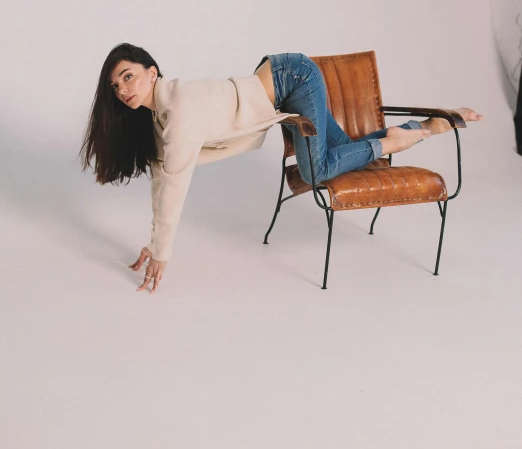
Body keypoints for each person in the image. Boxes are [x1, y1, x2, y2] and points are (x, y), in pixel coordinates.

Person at [80, 45, 483, 295]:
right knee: (342, 151)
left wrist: (163, 253)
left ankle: (391, 141)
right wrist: (155, 241)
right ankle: (420, 129)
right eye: (116, 87)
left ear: (152, 72)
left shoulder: (179, 108)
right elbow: (162, 177)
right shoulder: (160, 120)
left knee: (315, 169)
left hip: (294, 75)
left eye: (128, 76)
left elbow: (176, 183)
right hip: (282, 76)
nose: (123, 89)